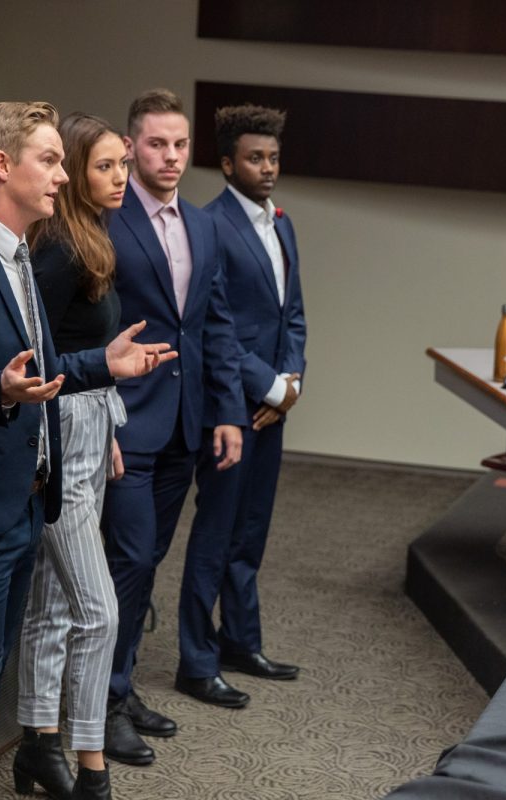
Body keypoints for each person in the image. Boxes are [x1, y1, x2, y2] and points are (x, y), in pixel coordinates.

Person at [0, 101, 177, 800]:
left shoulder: (23, 256)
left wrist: (101, 368)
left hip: (29, 504)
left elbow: (45, 369)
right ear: (3, 166)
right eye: (50, 160)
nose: (62, 176)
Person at [102, 88, 245, 766]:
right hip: (126, 420)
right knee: (125, 560)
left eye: (180, 144)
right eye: (157, 144)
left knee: (147, 561)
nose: (171, 156)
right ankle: (100, 704)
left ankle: (121, 686)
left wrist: (228, 412)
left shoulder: (202, 223)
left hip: (187, 424)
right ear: (131, 148)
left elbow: (215, 323)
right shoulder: (107, 217)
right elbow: (93, 326)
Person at [12, 112, 132, 800]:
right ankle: (91, 768)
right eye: (104, 166)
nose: (119, 177)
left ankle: (37, 742)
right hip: (57, 430)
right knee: (97, 610)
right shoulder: (58, 247)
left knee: (57, 601)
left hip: (90, 424)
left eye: (122, 165)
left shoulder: (91, 234)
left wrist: (108, 425)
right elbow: (40, 350)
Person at [177, 104, 307, 700]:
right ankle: (197, 662)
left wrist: (293, 383)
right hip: (231, 404)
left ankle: (241, 640)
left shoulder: (283, 225)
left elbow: (294, 317)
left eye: (274, 157)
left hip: (273, 405)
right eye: (255, 158)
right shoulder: (208, 226)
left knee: (252, 531)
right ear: (227, 163)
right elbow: (215, 328)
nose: (268, 168)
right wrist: (270, 388)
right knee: (216, 533)